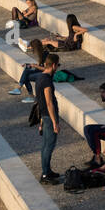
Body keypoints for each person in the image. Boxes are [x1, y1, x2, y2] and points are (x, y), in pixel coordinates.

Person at [34, 54, 62, 185]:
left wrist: (40, 121)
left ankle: (47, 170)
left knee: (46, 145)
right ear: (54, 65)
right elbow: (49, 102)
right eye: (58, 65)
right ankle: (45, 174)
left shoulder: (40, 78)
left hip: (44, 117)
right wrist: (55, 122)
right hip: (49, 118)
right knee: (48, 146)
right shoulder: (46, 81)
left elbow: (39, 102)